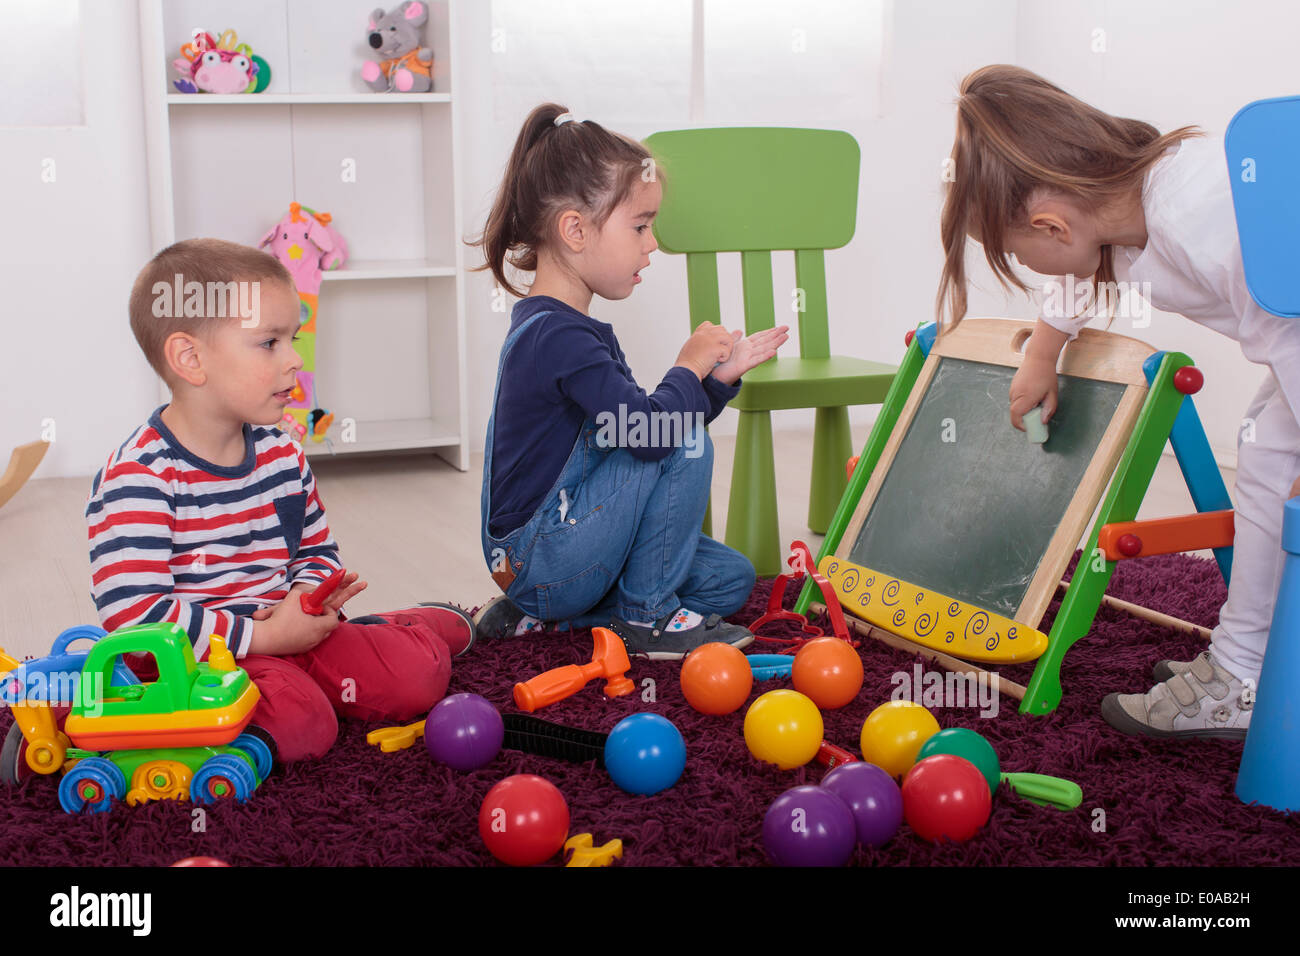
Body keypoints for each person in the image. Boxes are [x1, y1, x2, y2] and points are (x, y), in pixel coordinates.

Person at [937, 64, 1299, 740]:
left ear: (1051, 226)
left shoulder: (1196, 213)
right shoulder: (1121, 222)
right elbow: (1077, 279)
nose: (1029, 271)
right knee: (1267, 458)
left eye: (1018, 257)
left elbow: (1290, 319)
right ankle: (1247, 663)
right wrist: (1043, 354)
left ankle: (1245, 673)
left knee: (1276, 462)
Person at [85, 238, 474, 761]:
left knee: (416, 680)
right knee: (302, 722)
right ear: (190, 358)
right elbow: (135, 618)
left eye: (294, 337)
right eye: (270, 342)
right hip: (201, 670)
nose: (296, 359)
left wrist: (308, 599)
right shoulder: (140, 476)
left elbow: (317, 551)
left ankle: (409, 626)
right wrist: (261, 639)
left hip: (291, 632)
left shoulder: (282, 455)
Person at [470, 104, 786, 659]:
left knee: (730, 580)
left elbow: (633, 430)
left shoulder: (570, 329)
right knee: (684, 440)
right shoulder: (557, 338)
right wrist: (686, 367)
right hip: (541, 554)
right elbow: (653, 436)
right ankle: (647, 618)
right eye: (640, 226)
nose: (652, 243)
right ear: (574, 229)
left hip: (559, 553)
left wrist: (714, 382)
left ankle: (564, 620)